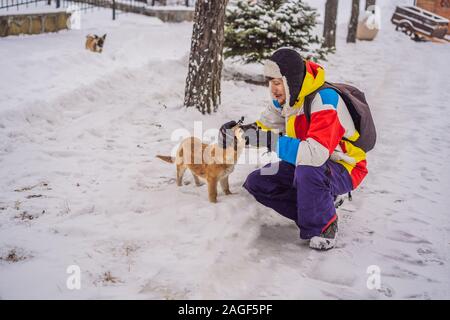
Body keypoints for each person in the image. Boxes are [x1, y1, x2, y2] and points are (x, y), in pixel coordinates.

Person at [219, 48, 368, 250]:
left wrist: (269, 140)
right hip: (309, 162)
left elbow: (315, 154)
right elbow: (266, 126)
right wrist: (239, 133)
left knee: (308, 170)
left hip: (344, 166)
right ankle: (320, 206)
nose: (273, 89)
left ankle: (324, 225)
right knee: (258, 182)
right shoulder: (287, 99)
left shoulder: (325, 101)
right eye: (270, 82)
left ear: (292, 80)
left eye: (278, 83)